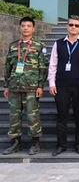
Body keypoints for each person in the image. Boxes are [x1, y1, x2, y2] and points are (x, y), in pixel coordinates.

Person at [48, 15, 79, 156]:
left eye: (76, 25)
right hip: (61, 85)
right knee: (62, 116)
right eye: (71, 25)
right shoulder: (58, 43)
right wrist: (51, 83)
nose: (73, 27)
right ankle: (61, 145)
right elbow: (53, 65)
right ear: (67, 26)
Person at [2, 17, 48, 155]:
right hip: (15, 86)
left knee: (32, 116)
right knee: (14, 117)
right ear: (20, 28)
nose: (26, 28)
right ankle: (15, 143)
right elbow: (8, 66)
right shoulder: (13, 46)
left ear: (33, 28)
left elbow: (43, 67)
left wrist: (40, 85)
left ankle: (35, 143)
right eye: (23, 26)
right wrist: (6, 85)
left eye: (29, 26)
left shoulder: (39, 46)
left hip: (31, 88)